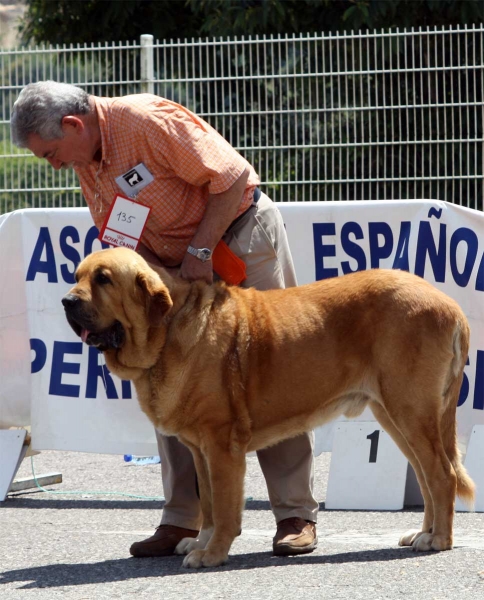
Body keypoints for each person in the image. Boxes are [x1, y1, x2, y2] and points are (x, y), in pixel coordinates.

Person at [11, 81, 319, 558]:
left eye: (51, 152)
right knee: (162, 374)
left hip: (236, 238)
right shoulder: (85, 160)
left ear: (74, 124)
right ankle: (181, 519)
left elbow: (233, 176)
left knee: (270, 368)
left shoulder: (146, 121)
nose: (52, 164)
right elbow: (120, 233)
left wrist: (198, 251)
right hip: (172, 272)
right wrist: (166, 275)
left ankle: (295, 513)